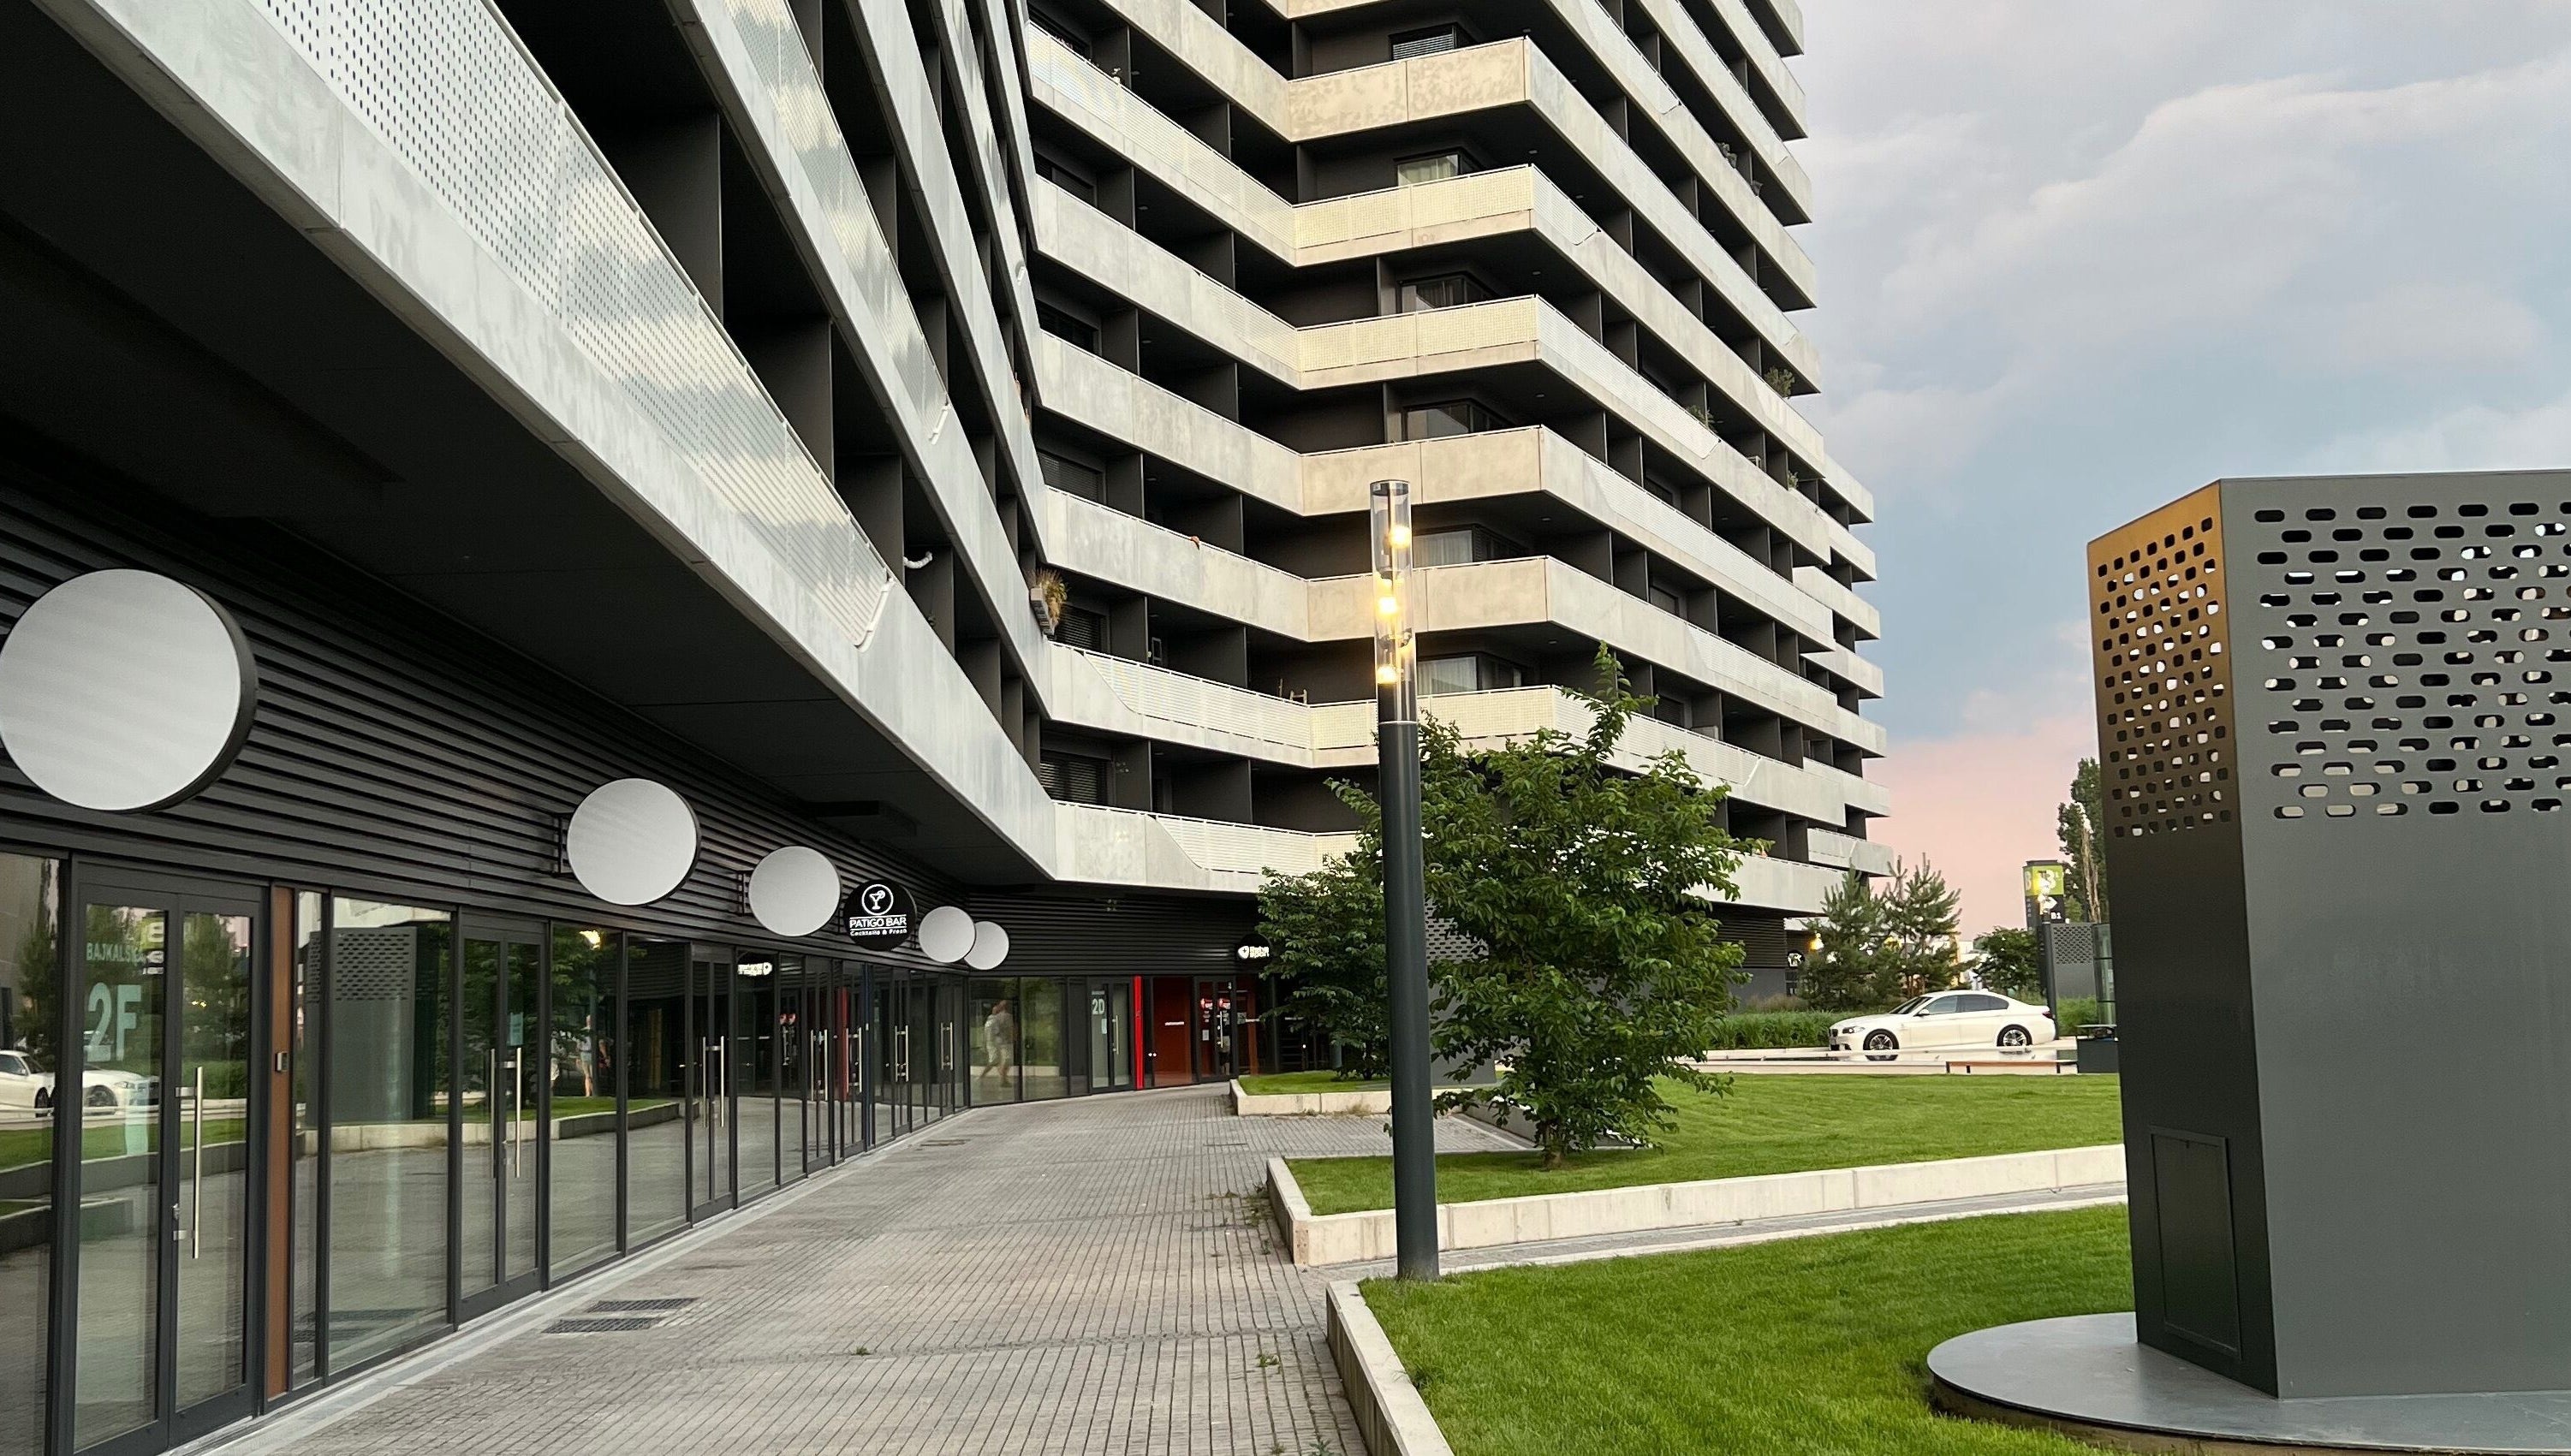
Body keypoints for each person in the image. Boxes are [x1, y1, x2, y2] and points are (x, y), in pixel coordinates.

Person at [981, 997, 1015, 1087]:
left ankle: (1003, 1079)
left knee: (1002, 1061)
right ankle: (1003, 1080)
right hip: (1004, 1042)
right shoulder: (1000, 1018)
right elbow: (1004, 1030)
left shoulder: (994, 1019)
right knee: (1004, 1061)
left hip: (1000, 1042)